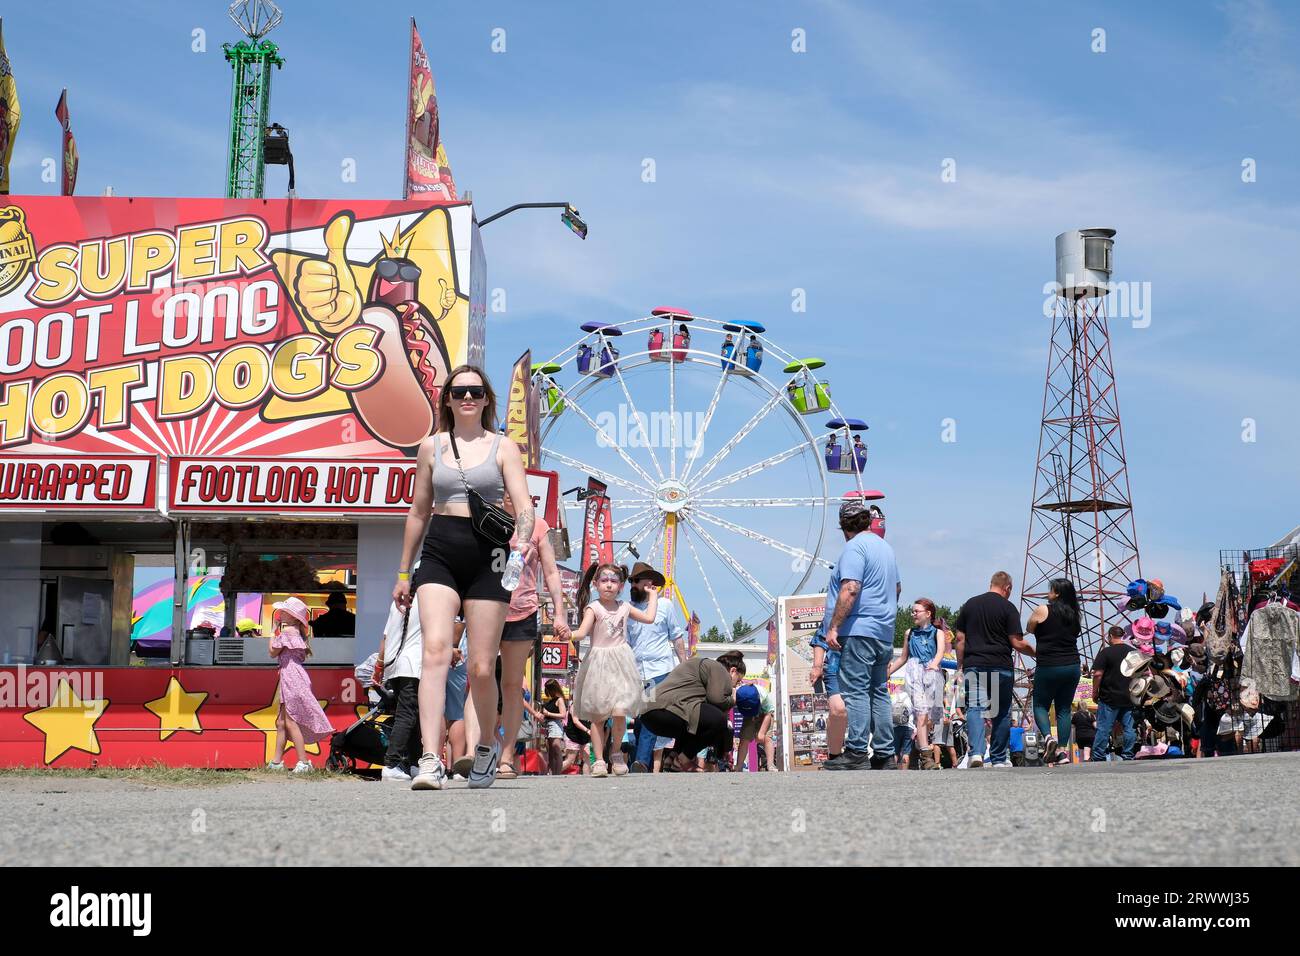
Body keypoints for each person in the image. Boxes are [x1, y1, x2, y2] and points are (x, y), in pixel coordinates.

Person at [393, 365, 536, 791]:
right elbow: (419, 511)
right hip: (440, 550)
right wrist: (404, 572)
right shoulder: (430, 446)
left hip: (489, 554)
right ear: (448, 400)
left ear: (487, 399)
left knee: (479, 666)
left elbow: (524, 505)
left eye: (475, 391)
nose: (467, 398)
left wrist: (523, 539)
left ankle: (487, 749)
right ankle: (430, 758)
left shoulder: (504, 447)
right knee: (434, 652)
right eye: (459, 392)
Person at [495, 490, 571, 779]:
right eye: (512, 496)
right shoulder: (490, 519)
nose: (518, 501)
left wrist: (559, 612)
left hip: (523, 609)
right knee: (479, 676)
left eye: (525, 496)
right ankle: (483, 746)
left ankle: (505, 755)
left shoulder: (540, 526)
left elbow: (551, 572)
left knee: (512, 684)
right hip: (487, 606)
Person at [822, 497, 901, 771]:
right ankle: (884, 753)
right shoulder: (886, 549)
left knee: (855, 691)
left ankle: (856, 751)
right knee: (878, 691)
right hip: (884, 631)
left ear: (844, 527)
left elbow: (851, 588)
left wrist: (833, 627)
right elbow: (898, 589)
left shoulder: (854, 548)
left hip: (858, 631)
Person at [569, 563, 659, 777]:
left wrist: (652, 595)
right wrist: (568, 635)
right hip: (599, 664)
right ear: (596, 584)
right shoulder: (594, 608)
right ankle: (599, 760)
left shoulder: (625, 607)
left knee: (620, 713)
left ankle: (616, 752)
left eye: (613, 581)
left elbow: (649, 618)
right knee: (598, 717)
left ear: (620, 586)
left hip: (621, 662)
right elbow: (582, 633)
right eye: (604, 580)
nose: (608, 585)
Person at [953, 572, 1036, 769]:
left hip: (975, 665)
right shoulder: (1008, 608)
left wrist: (960, 665)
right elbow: (1017, 642)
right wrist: (1036, 652)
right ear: (1007, 588)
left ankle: (976, 754)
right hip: (1000, 667)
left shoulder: (970, 605)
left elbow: (960, 639)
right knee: (1000, 712)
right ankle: (998, 758)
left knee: (975, 708)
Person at [624, 561, 687, 772]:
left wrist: (685, 665)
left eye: (636, 581)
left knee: (649, 713)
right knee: (640, 719)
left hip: (659, 671)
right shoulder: (628, 610)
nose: (632, 584)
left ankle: (640, 762)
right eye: (631, 581)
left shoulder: (666, 605)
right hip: (636, 672)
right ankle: (641, 762)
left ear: (649, 583)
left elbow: (677, 637)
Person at [639, 650, 745, 772]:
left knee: (695, 720)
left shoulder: (698, 665)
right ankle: (683, 759)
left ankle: (672, 758)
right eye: (737, 680)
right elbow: (717, 700)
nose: (736, 685)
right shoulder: (718, 669)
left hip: (649, 714)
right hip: (665, 710)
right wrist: (732, 700)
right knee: (719, 720)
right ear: (733, 671)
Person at [266, 597, 334, 773]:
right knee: (281, 722)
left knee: (290, 720)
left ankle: (304, 762)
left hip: (291, 677)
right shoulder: (294, 631)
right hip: (293, 676)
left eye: (285, 611)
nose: (281, 613)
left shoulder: (288, 631)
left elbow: (272, 651)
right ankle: (276, 762)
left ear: (294, 617)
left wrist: (273, 630)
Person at [1025, 577, 1082, 765]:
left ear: (1057, 593)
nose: (1047, 593)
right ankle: (1062, 753)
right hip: (1072, 665)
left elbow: (1029, 627)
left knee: (1040, 705)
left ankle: (1049, 738)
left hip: (1049, 664)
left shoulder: (1043, 609)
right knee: (1064, 709)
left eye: (1051, 590)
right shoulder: (1075, 615)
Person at [887, 599, 946, 769]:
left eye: (916, 611)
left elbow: (940, 651)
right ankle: (926, 756)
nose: (913, 614)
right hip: (914, 672)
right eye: (912, 611)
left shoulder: (937, 633)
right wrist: (888, 671)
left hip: (931, 672)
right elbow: (903, 657)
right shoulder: (910, 633)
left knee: (930, 717)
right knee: (920, 713)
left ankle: (921, 746)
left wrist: (934, 663)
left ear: (928, 614)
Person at [379, 596, 425, 782]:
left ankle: (415, 763)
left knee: (411, 714)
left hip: (393, 664)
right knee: (407, 714)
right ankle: (391, 764)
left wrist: (379, 665)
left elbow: (385, 636)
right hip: (412, 664)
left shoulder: (396, 602)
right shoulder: (427, 601)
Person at [1090, 625, 1138, 761]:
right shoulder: (1132, 652)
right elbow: (1141, 672)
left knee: (1104, 728)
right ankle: (1128, 754)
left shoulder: (1106, 653)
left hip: (1109, 696)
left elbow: (1098, 674)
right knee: (1129, 728)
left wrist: (1095, 691)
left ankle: (1098, 756)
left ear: (1110, 636)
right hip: (1129, 696)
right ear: (1122, 635)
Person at [735, 683, 775, 771]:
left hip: (765, 715)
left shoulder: (763, 695)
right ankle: (739, 766)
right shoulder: (737, 693)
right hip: (749, 716)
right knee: (744, 739)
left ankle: (770, 765)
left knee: (766, 738)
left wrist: (761, 733)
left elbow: (769, 713)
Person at [537, 681, 569, 775]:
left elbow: (563, 715)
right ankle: (552, 773)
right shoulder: (551, 700)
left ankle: (557, 773)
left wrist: (548, 713)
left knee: (556, 749)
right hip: (548, 726)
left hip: (555, 725)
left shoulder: (559, 700)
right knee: (550, 751)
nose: (548, 691)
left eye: (549, 689)